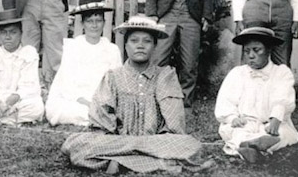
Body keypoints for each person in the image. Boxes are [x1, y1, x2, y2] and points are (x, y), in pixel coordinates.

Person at [62, 16, 209, 174]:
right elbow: (101, 124)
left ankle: (120, 161)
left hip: (156, 141)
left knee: (190, 145)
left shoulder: (165, 76)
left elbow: (174, 126)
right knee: (77, 145)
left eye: (147, 41)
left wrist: (141, 143)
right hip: (120, 140)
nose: (140, 45)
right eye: (134, 40)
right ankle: (160, 162)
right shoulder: (113, 77)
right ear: (125, 45)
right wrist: (126, 141)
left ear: (154, 46)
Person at [215, 26, 298, 163]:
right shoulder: (238, 73)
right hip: (245, 122)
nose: (251, 56)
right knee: (236, 132)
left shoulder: (281, 73)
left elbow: (282, 97)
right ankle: (250, 146)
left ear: (268, 50)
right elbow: (226, 99)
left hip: (269, 123)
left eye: (256, 50)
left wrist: (276, 118)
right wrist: (232, 118)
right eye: (247, 51)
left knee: (284, 133)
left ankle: (259, 143)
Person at [45, 0, 122, 126]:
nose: (94, 25)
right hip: (75, 98)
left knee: (111, 112)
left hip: (101, 99)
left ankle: (96, 118)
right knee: (58, 110)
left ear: (104, 23)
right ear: (82, 24)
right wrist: (84, 101)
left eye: (98, 21)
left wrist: (101, 103)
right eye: (90, 21)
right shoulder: (73, 47)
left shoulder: (111, 49)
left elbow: (116, 82)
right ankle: (96, 119)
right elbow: (66, 81)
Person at [0, 9, 44, 126]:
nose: (8, 37)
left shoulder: (28, 53)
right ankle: (10, 119)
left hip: (17, 100)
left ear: (21, 34)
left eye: (13, 32)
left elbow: (28, 84)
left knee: (35, 106)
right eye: (3, 33)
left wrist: (10, 102)